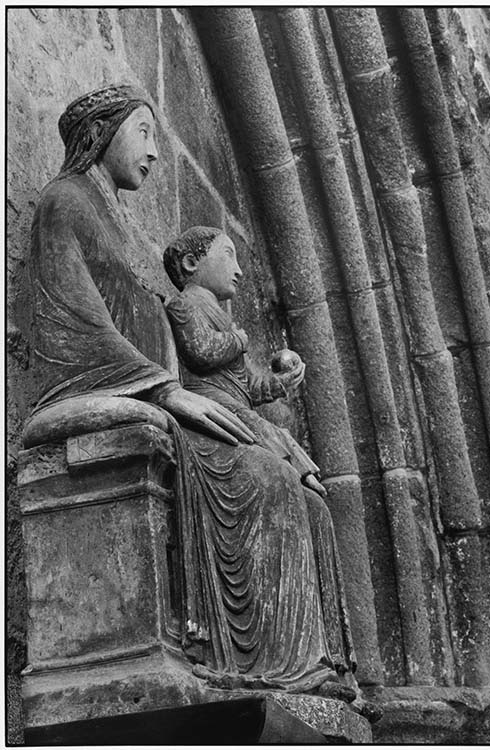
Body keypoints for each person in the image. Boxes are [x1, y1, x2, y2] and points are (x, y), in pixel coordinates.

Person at [27, 84, 357, 698]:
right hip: (130, 395)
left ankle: (305, 661)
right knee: (263, 476)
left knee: (303, 493)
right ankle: (259, 662)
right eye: (144, 132)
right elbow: (75, 319)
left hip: (153, 394)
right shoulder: (64, 202)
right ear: (101, 132)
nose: (155, 152)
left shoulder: (112, 214)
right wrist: (165, 391)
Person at [162, 226, 327, 498]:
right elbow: (200, 351)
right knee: (264, 429)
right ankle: (300, 473)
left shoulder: (226, 320)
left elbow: (248, 384)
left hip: (234, 401)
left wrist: (281, 382)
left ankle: (305, 476)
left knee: (271, 429)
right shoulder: (185, 305)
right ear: (191, 262)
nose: (238, 270)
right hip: (210, 398)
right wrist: (237, 341)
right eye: (229, 256)